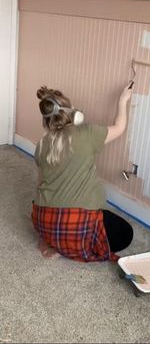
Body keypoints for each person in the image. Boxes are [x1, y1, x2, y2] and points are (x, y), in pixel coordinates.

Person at [32, 83, 134, 262]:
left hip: (44, 221)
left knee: (68, 223)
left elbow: (40, 185)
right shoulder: (87, 133)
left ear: (46, 121)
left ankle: (54, 242)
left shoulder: (41, 145)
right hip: (76, 224)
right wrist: (122, 100)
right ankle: (70, 245)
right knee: (126, 233)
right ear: (74, 114)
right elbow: (119, 127)